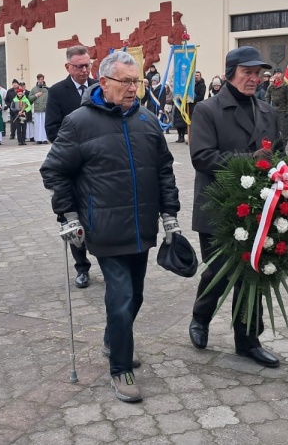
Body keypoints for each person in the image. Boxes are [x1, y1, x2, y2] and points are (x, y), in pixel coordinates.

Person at [40, 50, 181, 403]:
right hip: (103, 228)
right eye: (126, 82)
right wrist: (69, 214)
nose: (134, 88)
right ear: (104, 82)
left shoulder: (148, 121)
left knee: (136, 296)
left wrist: (170, 216)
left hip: (141, 228)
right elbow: (54, 170)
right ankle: (121, 369)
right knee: (120, 299)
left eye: (138, 82)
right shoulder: (78, 122)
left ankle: (113, 339)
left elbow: (164, 170)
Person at [187, 46, 282, 368]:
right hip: (218, 209)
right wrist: (248, 162)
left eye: (258, 74)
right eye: (247, 73)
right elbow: (201, 157)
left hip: (259, 209)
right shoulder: (207, 110)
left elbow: (278, 156)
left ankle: (248, 340)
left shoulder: (268, 112)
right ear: (230, 74)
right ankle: (201, 318)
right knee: (220, 272)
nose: (254, 79)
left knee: (252, 273)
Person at [45, 45, 99, 288]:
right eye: (79, 66)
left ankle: (109, 262)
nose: (85, 70)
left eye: (88, 65)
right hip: (71, 167)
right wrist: (78, 147)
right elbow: (52, 130)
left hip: (99, 165)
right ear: (68, 67)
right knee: (71, 218)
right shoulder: (57, 91)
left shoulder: (101, 87)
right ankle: (81, 267)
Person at [266, 68, 288, 145]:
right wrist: (267, 108)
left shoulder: (285, 86)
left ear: (282, 75)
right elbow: (267, 97)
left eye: (279, 73)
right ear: (273, 75)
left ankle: (283, 148)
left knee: (283, 131)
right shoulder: (271, 86)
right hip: (273, 110)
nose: (277, 75)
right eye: (275, 73)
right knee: (273, 129)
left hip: (283, 111)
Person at [29, 73, 50, 144]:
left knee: (44, 124)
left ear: (43, 79)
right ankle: (38, 139)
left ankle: (44, 138)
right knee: (37, 124)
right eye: (39, 79)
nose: (40, 81)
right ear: (37, 80)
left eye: (42, 79)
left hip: (45, 108)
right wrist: (36, 95)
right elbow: (29, 98)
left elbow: (51, 98)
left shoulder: (47, 89)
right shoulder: (34, 89)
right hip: (37, 108)